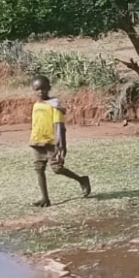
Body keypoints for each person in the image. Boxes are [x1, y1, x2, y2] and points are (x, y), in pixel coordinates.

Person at [29, 75, 91, 207]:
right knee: (39, 169)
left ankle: (81, 179)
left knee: (57, 169)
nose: (40, 92)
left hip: (52, 142)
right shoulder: (36, 105)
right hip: (37, 142)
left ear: (49, 88)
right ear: (33, 90)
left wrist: (61, 145)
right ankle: (45, 198)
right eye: (37, 89)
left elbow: (59, 126)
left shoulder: (55, 106)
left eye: (43, 88)